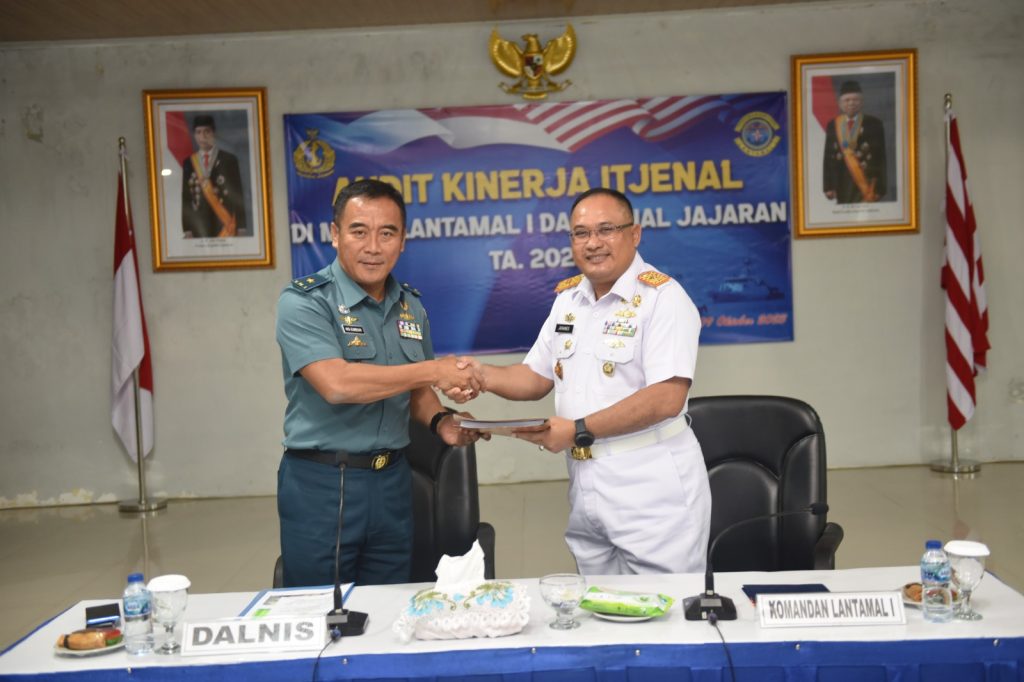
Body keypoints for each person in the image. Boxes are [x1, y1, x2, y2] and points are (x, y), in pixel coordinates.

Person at [449, 188, 711, 575]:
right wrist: (479, 375)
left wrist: (577, 430)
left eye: (606, 230)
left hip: (652, 490)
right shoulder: (569, 300)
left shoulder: (663, 299)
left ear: (635, 234)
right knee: (598, 605)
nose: (593, 243)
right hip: (585, 484)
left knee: (663, 606)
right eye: (581, 233)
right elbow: (535, 377)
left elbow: (666, 398)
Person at [275, 178, 483, 587]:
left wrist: (442, 422)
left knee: (389, 605)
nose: (373, 247)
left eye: (387, 233)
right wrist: (434, 370)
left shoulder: (410, 305)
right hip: (323, 484)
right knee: (322, 608)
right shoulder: (305, 301)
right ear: (335, 234)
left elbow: (417, 391)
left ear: (402, 241)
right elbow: (337, 384)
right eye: (359, 231)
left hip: (393, 483)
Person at [181, 114, 247, 238]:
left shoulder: (229, 160)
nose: (203, 137)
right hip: (199, 225)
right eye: (198, 132)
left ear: (214, 133)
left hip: (224, 224)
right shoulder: (189, 162)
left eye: (207, 131)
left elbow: (237, 194)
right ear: (194, 135)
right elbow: (186, 199)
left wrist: (241, 227)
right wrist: (187, 229)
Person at [822, 80, 887, 204]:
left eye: (855, 99)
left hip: (866, 183)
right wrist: (828, 186)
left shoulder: (874, 123)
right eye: (847, 100)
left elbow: (881, 158)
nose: (851, 103)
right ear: (840, 103)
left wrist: (880, 188)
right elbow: (828, 157)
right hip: (841, 181)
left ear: (862, 102)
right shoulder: (833, 125)